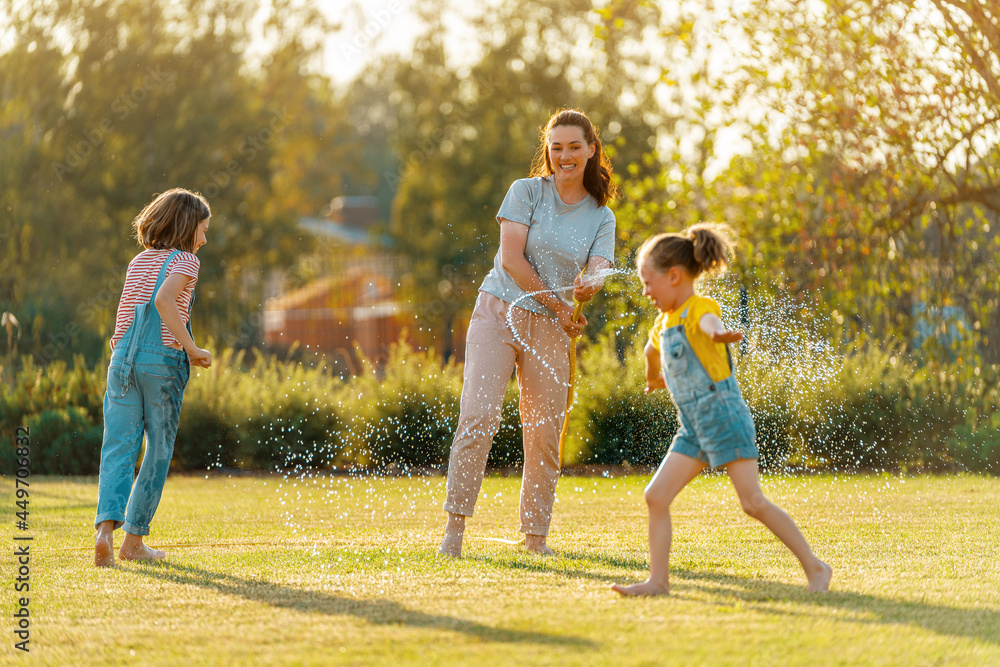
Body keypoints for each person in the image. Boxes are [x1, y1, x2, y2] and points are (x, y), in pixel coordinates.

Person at [612, 224, 831, 595]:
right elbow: (651, 352)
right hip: (693, 426)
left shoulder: (700, 309)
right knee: (656, 496)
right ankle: (658, 581)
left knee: (752, 502)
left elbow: (711, 325)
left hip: (723, 415)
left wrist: (719, 336)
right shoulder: (662, 322)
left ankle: (816, 568)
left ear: (675, 276)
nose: (646, 291)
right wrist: (653, 378)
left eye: (649, 282)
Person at [438, 109, 617, 557]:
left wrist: (589, 285)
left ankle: (535, 538)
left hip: (551, 331)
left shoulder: (601, 217)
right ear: (548, 151)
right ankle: (454, 533)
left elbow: (598, 269)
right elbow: (513, 260)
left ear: (591, 150)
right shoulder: (526, 193)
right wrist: (560, 304)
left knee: (544, 431)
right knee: (478, 416)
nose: (564, 155)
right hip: (500, 311)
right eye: (556, 147)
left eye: (574, 146)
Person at [94, 188, 213, 567]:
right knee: (157, 450)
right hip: (161, 365)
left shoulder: (139, 260)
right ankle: (133, 542)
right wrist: (191, 348)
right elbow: (163, 301)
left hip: (121, 363)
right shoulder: (186, 261)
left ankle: (104, 535)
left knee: (117, 447)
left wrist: (122, 352)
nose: (205, 239)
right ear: (186, 226)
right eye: (202, 229)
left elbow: (124, 318)